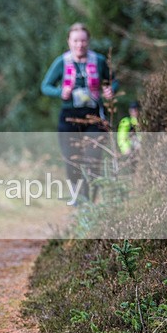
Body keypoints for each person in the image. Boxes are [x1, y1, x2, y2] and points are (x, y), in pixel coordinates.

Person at [41, 22, 118, 204]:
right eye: (75, 41)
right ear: (69, 41)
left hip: (94, 116)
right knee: (72, 159)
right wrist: (60, 92)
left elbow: (113, 81)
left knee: (93, 158)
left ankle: (91, 198)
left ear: (88, 41)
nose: (79, 45)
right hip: (69, 117)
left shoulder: (98, 60)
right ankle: (79, 198)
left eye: (83, 41)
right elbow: (45, 86)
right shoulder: (62, 62)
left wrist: (110, 90)